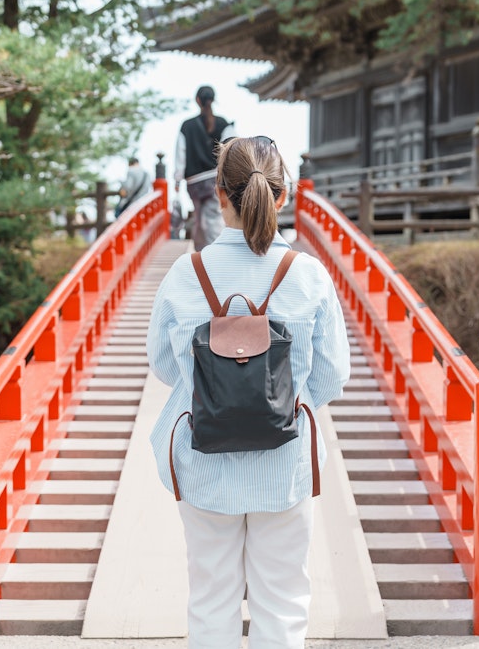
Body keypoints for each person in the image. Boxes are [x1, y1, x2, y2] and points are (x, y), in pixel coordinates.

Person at [147, 136, 351, 647]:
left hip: (204, 460)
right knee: (282, 604)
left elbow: (164, 364)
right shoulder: (307, 276)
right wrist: (277, 401)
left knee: (210, 600)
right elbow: (331, 375)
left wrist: (218, 391)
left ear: (219, 194)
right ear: (283, 196)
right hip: (284, 464)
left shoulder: (184, 274)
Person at [174, 85, 236, 250]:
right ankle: (214, 254)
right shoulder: (224, 124)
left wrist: (177, 179)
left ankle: (202, 254)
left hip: (193, 182)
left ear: (197, 100)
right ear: (213, 100)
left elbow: (180, 154)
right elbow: (232, 152)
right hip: (215, 179)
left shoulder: (186, 126)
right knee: (213, 219)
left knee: (199, 219)